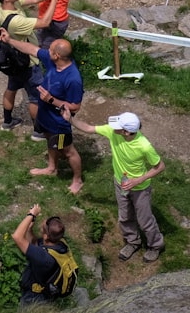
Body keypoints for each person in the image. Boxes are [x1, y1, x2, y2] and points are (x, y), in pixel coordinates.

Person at [63, 109, 166, 262]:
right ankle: (133, 242)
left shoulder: (144, 146)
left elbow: (160, 166)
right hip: (120, 184)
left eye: (118, 126)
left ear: (126, 132)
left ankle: (156, 245)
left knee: (145, 220)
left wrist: (138, 180)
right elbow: (89, 128)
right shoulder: (113, 131)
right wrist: (70, 119)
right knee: (124, 216)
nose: (113, 127)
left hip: (140, 188)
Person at [0, 29, 84, 194]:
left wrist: (51, 100)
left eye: (50, 50)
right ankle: (52, 168)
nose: (46, 51)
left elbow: (75, 106)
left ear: (57, 55)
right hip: (45, 115)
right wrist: (9, 40)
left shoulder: (73, 78)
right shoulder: (53, 61)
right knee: (49, 139)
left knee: (67, 150)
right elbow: (31, 49)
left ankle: (77, 180)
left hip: (59, 122)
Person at [0, 0, 62, 139]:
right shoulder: (16, 21)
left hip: (13, 60)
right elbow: (45, 22)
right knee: (35, 98)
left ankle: (7, 122)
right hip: (28, 62)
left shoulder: (4, 7)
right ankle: (38, 132)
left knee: (11, 88)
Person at [13, 203, 71, 307]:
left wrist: (31, 215)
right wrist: (30, 229)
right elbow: (35, 245)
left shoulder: (44, 258)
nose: (42, 224)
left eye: (42, 228)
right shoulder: (60, 243)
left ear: (45, 236)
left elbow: (17, 237)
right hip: (46, 292)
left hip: (34, 298)